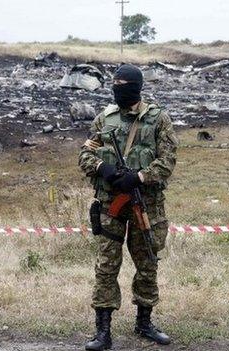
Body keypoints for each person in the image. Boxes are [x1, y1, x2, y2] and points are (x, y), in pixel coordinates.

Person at [78, 64, 178, 350]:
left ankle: (144, 323)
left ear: (136, 87)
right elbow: (84, 155)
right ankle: (103, 332)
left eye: (123, 84)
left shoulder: (159, 120)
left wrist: (139, 176)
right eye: (115, 84)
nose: (118, 88)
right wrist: (104, 168)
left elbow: (167, 161)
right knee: (106, 266)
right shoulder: (103, 120)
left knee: (147, 262)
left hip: (146, 205)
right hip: (111, 205)